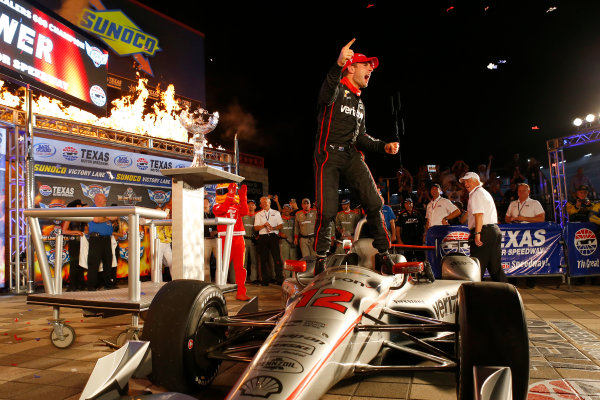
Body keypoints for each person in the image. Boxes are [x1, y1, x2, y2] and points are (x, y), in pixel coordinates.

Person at [313, 38, 399, 274]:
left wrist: (383, 146)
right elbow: (326, 90)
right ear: (351, 67)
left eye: (371, 66)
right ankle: (320, 259)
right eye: (365, 65)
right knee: (328, 210)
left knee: (375, 202)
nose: (371, 69)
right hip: (327, 155)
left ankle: (384, 255)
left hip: (351, 154)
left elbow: (361, 137)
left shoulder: (360, 104)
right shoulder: (335, 89)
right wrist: (337, 64)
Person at [460, 172, 507, 283]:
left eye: (468, 180)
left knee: (476, 268)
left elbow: (479, 215)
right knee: (495, 269)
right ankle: (507, 293)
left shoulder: (476, 194)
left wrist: (477, 234)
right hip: (493, 231)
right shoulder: (481, 192)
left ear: (476, 181)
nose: (466, 183)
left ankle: (475, 295)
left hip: (484, 232)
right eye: (464, 181)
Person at [213, 183, 250, 301]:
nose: (229, 192)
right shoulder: (216, 206)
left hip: (239, 238)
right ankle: (218, 293)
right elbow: (221, 210)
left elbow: (245, 211)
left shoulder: (237, 205)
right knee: (222, 267)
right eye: (226, 191)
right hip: (224, 238)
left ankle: (241, 292)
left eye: (229, 190)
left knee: (240, 268)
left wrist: (243, 197)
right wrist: (230, 196)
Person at [87, 193, 117, 290]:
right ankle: (91, 286)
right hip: (96, 239)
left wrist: (103, 217)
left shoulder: (105, 210)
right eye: (104, 199)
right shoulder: (92, 209)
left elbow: (115, 217)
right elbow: (96, 219)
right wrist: (107, 217)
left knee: (108, 262)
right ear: (97, 199)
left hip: (107, 239)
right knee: (94, 263)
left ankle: (108, 284)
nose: (105, 200)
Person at [254, 196, 284, 286]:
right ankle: (265, 280)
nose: (264, 203)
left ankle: (279, 278)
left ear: (269, 203)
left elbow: (281, 225)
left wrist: (273, 228)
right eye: (262, 202)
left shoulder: (276, 212)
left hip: (273, 236)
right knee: (264, 259)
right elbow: (256, 228)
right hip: (263, 237)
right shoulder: (258, 214)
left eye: (265, 202)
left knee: (277, 258)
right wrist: (264, 225)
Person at [62, 199, 87, 291]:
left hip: (81, 242)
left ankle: (81, 284)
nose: (81, 207)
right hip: (73, 242)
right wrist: (76, 232)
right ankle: (72, 285)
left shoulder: (82, 217)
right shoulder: (70, 216)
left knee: (81, 263)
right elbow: (64, 231)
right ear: (76, 206)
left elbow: (86, 229)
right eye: (79, 205)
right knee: (74, 264)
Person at [242, 199, 260, 284]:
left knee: (254, 261)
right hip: (244, 239)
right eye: (249, 204)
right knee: (244, 261)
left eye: (253, 204)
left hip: (253, 241)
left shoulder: (258, 216)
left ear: (255, 206)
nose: (251, 206)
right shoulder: (243, 215)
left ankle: (254, 278)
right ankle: (242, 279)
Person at [279, 204, 298, 275]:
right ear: (282, 210)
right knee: (285, 261)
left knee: (294, 260)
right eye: (285, 208)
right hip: (283, 242)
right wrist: (280, 234)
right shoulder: (279, 219)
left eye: (288, 208)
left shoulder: (294, 218)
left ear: (291, 210)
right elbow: (275, 230)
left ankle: (294, 278)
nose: (287, 210)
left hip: (293, 242)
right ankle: (286, 278)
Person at [156, 204, 173, 282]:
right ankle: (159, 282)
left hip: (167, 244)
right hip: (158, 244)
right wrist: (163, 221)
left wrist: (169, 223)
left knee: (171, 263)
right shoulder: (154, 221)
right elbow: (158, 230)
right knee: (158, 265)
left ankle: (174, 280)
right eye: (158, 211)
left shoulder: (167, 221)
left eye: (161, 211)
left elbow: (171, 233)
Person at [204, 198, 218, 281]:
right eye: (203, 202)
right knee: (205, 262)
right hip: (205, 240)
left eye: (207, 202)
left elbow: (220, 227)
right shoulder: (199, 215)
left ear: (210, 204)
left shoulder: (214, 215)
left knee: (220, 260)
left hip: (215, 240)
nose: (205, 203)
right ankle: (207, 281)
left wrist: (215, 231)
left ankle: (220, 280)